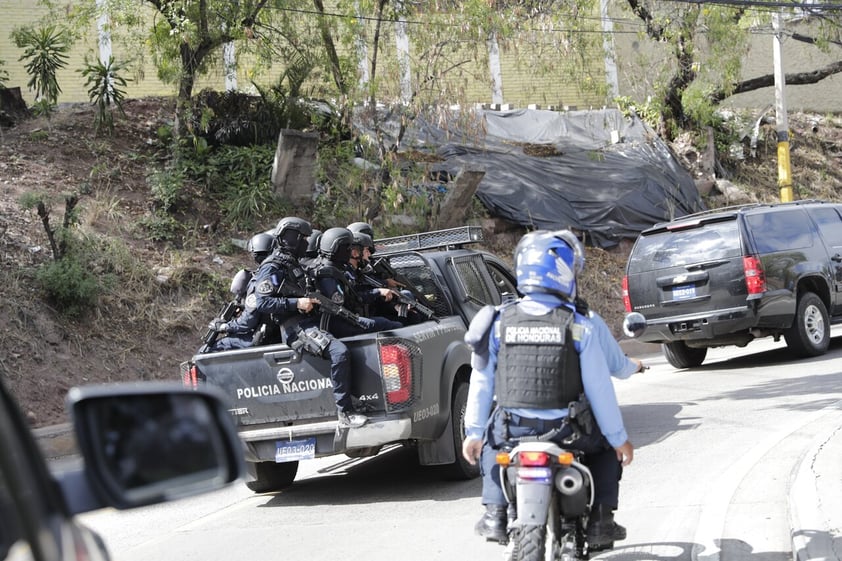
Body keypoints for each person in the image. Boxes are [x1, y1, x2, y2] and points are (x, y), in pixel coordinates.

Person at [461, 229, 633, 551]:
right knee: (605, 451)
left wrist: (473, 431)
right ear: (565, 273)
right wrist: (619, 438)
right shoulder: (579, 325)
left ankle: (496, 514)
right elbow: (599, 389)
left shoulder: (499, 323)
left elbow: (481, 380)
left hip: (512, 430)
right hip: (567, 431)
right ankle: (600, 522)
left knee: (488, 443)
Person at [311, 227, 403, 337]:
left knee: (393, 321)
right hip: (338, 321)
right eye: (348, 248)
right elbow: (345, 302)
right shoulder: (327, 273)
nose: (350, 252)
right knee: (390, 325)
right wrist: (377, 291)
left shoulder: (338, 270)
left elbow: (353, 297)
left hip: (349, 316)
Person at [204, 232, 278, 352]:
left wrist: (225, 326)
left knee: (215, 348)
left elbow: (248, 322)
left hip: (259, 338)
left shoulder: (260, 281)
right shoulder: (277, 275)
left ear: (254, 255)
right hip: (274, 335)